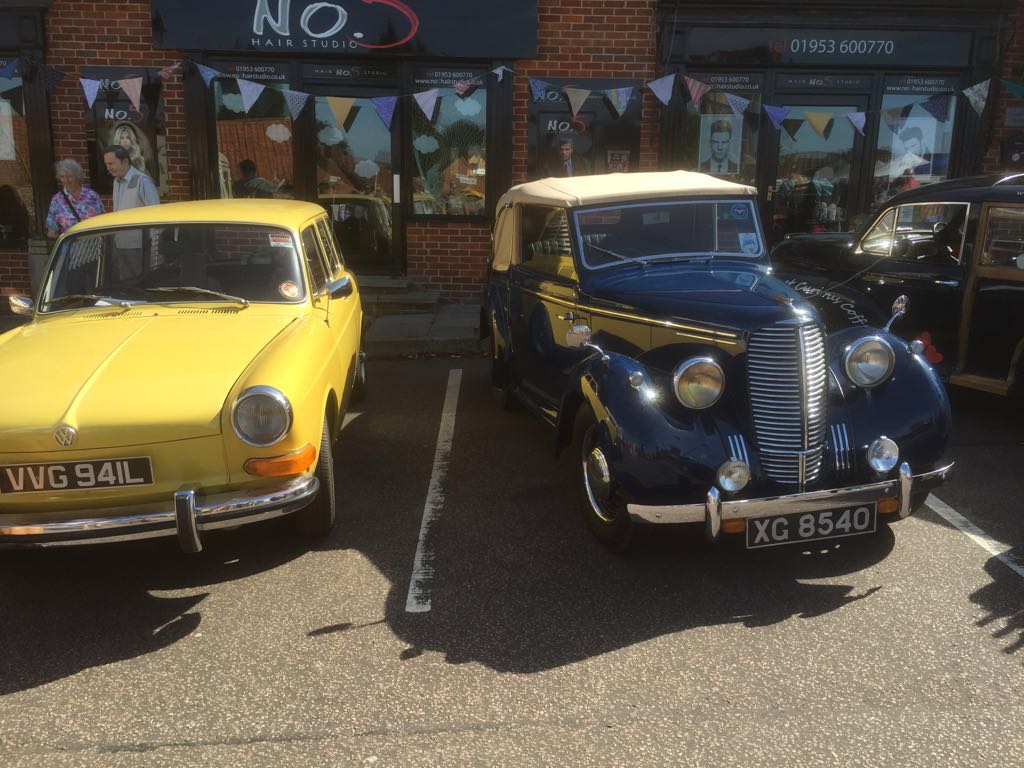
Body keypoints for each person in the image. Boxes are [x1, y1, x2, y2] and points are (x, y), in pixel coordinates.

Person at [45, 158, 105, 239]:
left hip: (93, 246)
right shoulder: (57, 200)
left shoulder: (92, 196)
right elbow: (51, 226)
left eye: (69, 176)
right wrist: (52, 232)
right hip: (70, 248)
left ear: (77, 176)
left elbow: (103, 219)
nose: (66, 180)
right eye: (62, 177)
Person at [104, 144, 159, 212]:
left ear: (125, 161)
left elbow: (155, 212)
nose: (108, 168)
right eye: (106, 164)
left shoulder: (143, 181)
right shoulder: (116, 181)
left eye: (111, 164)